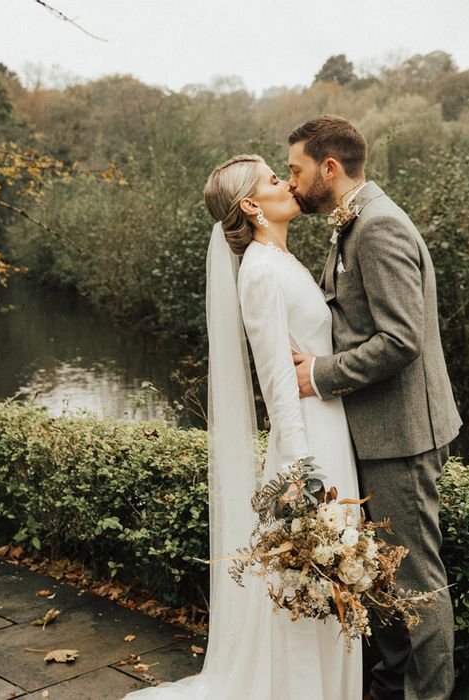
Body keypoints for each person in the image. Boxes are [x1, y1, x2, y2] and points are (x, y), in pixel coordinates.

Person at [121, 154, 362, 699]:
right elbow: (276, 379)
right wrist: (300, 468)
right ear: (252, 206)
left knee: (328, 577)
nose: (286, 183)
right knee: (307, 580)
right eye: (274, 180)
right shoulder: (258, 270)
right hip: (307, 443)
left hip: (327, 427)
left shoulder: (281, 259)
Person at [287, 116, 462, 700]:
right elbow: (351, 317)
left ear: (329, 169)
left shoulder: (380, 226)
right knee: (382, 574)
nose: (291, 183)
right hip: (374, 431)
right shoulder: (350, 221)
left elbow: (400, 339)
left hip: (403, 434)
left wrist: (319, 374)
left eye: (297, 170)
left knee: (415, 582)